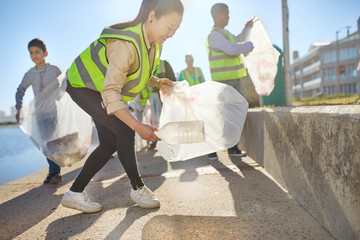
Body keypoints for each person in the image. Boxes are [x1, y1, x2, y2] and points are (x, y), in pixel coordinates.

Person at [61, 0, 184, 213]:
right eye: (170, 27)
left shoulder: (154, 42)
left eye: (176, 29)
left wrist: (157, 81)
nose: (171, 33)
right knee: (126, 130)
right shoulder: (126, 44)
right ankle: (137, 188)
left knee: (109, 142)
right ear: (152, 16)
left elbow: (138, 71)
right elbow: (110, 93)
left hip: (98, 88)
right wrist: (138, 126)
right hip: (82, 85)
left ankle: (74, 193)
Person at [206, 3, 254, 160]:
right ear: (219, 15)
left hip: (232, 80)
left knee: (231, 114)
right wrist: (249, 45)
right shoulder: (215, 36)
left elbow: (238, 40)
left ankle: (232, 147)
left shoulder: (224, 34)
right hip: (224, 82)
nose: (228, 17)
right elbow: (233, 49)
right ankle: (212, 148)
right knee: (223, 115)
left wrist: (247, 29)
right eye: (227, 14)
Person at [15, 38, 63, 184]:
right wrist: (19, 108)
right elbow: (20, 90)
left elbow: (64, 87)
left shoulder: (54, 70)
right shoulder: (30, 74)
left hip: (52, 112)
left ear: (45, 53)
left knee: (50, 142)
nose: (34, 55)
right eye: (31, 53)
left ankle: (55, 173)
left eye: (37, 52)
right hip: (38, 114)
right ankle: (53, 171)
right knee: (44, 144)